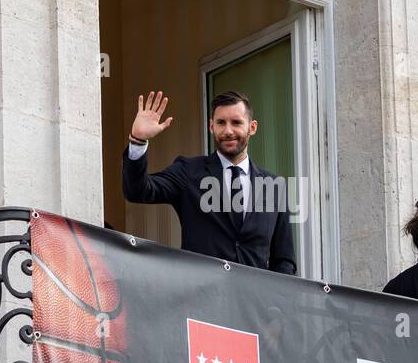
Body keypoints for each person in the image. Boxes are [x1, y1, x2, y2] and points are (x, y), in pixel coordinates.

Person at [122, 89, 296, 275]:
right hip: (200, 299)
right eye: (221, 123)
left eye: (236, 122)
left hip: (253, 302)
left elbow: (284, 260)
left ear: (252, 127)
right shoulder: (188, 171)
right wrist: (138, 141)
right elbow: (137, 191)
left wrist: (273, 302)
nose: (228, 131)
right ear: (211, 126)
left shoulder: (273, 186)